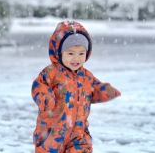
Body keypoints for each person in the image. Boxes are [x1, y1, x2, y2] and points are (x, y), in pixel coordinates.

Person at [31, 20, 121, 152]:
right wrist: (45, 98)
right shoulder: (52, 73)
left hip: (78, 132)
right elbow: (39, 85)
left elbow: (94, 89)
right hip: (52, 132)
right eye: (71, 53)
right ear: (60, 53)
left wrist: (105, 92)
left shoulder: (86, 76)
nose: (76, 58)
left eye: (81, 54)